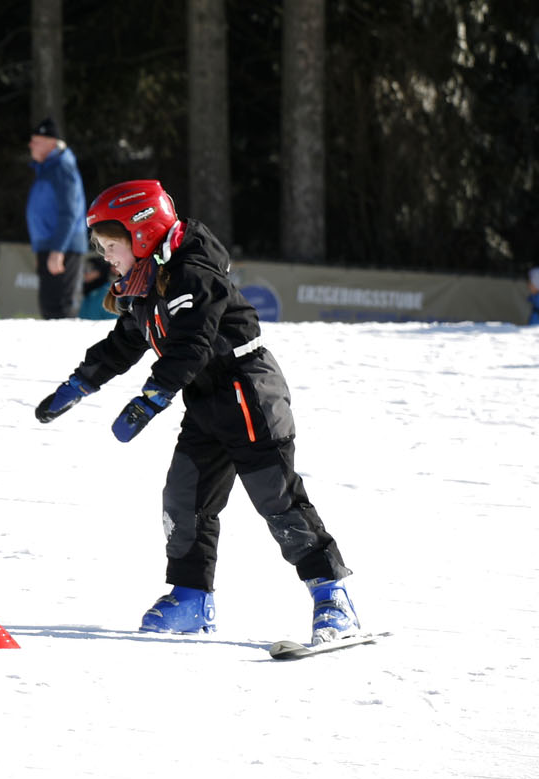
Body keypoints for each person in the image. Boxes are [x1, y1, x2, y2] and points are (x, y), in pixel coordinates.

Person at [32, 179, 358, 644]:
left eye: (110, 246)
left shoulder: (193, 271)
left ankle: (332, 595)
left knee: (277, 499)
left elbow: (192, 344)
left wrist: (149, 400)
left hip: (248, 392)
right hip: (204, 398)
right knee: (185, 498)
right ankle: (191, 597)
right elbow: (127, 340)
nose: (106, 257)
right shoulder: (146, 280)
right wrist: (80, 382)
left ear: (141, 234)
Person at [26, 117, 88, 318]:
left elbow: (69, 212)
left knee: (59, 309)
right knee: (49, 308)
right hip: (51, 246)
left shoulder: (62, 168)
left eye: (35, 141)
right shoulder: (48, 168)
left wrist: (57, 251)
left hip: (63, 247)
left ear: (51, 143)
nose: (30, 145)